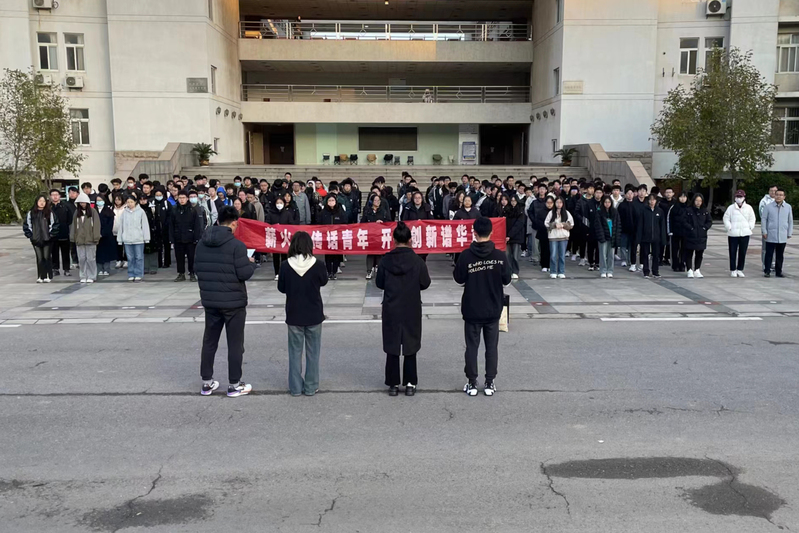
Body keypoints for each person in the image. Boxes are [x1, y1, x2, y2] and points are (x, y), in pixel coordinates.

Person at [195, 206, 256, 397]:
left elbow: (197, 269)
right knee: (235, 344)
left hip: (210, 300)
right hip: (233, 302)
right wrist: (251, 263)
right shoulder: (237, 246)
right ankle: (234, 384)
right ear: (234, 223)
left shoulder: (202, 243)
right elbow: (244, 273)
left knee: (210, 341)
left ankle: (206, 383)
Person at [453, 217, 511, 397]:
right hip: (493, 308)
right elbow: (507, 280)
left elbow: (458, 278)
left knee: (472, 347)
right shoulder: (500, 256)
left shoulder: (466, 256)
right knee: (491, 347)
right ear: (491, 232)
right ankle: (489, 382)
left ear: (474, 233)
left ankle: (472, 383)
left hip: (472, 308)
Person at [376, 222, 431, 396]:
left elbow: (379, 283)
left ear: (393, 240)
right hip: (411, 306)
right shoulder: (417, 261)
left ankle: (393, 384)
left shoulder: (385, 260)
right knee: (410, 344)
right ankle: (410, 383)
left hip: (391, 306)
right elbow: (425, 283)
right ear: (409, 240)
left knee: (392, 344)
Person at [277, 231, 329, 397]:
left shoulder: (285, 265)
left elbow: (281, 288)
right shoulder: (318, 264)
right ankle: (311, 386)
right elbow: (324, 281)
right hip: (314, 313)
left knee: (294, 353)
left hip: (294, 313)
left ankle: (295, 387)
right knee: (313, 353)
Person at [23, 194, 58, 283]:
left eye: (43, 201)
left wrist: (51, 235)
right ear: (36, 202)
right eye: (40, 201)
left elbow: (55, 224)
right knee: (39, 258)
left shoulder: (49, 213)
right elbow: (27, 225)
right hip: (36, 239)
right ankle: (40, 276)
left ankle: (48, 275)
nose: (42, 203)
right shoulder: (31, 213)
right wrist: (31, 236)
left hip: (47, 239)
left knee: (46, 257)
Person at [170, 190, 203, 282]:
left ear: (187, 198)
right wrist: (171, 238)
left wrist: (196, 237)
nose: (182, 200)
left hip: (190, 237)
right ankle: (181, 273)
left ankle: (192, 273)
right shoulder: (174, 210)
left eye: (183, 198)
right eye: (180, 198)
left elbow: (197, 225)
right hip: (178, 237)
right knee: (179, 257)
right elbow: (171, 225)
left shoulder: (192, 210)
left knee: (191, 257)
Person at [116, 193, 150, 282]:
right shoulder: (124, 213)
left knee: (139, 257)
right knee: (130, 258)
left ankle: (139, 274)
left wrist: (146, 238)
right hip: (127, 239)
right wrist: (120, 239)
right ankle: (131, 273)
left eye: (131, 202)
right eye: (128, 202)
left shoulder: (141, 212)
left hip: (138, 239)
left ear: (135, 202)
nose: (130, 204)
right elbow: (121, 226)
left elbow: (145, 225)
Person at [70, 192, 102, 283]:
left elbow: (96, 225)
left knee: (91, 259)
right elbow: (74, 226)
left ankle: (92, 275)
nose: (82, 204)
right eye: (80, 202)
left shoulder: (93, 212)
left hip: (90, 239)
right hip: (80, 240)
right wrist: (73, 237)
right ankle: (83, 275)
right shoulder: (77, 213)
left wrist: (96, 237)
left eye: (83, 202)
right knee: (82, 259)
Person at [761, 188, 794, 278]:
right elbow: (764, 219)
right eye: (777, 195)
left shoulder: (788, 207)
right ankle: (767, 271)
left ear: (784, 197)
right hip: (771, 234)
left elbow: (790, 220)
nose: (778, 196)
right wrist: (764, 231)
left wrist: (789, 232)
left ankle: (778, 271)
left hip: (782, 235)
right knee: (769, 254)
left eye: (781, 195)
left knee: (780, 255)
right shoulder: (768, 207)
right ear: (774, 196)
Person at [723, 190, 756, 277]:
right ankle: (733, 269)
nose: (739, 198)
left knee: (742, 252)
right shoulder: (731, 208)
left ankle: (740, 269)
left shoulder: (748, 208)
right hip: (733, 233)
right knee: (732, 252)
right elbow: (726, 218)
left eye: (740, 197)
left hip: (745, 233)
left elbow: (752, 218)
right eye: (737, 197)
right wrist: (729, 227)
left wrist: (750, 226)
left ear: (744, 198)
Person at [267, 195, 299, 281]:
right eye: (277, 203)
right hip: (275, 238)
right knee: (276, 257)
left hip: (285, 238)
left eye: (281, 203)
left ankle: (285, 273)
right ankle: (277, 273)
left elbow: (291, 224)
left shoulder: (287, 213)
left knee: (285, 256)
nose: (279, 204)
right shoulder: (271, 213)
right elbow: (267, 224)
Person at [636, 194, 666, 279]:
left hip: (656, 237)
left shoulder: (660, 211)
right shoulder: (643, 210)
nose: (652, 201)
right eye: (650, 200)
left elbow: (662, 226)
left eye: (653, 200)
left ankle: (655, 271)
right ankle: (646, 271)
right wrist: (639, 238)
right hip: (645, 236)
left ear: (656, 201)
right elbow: (640, 225)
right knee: (645, 254)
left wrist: (663, 238)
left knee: (656, 255)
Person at [684, 193, 712, 279]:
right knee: (689, 253)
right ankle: (689, 269)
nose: (698, 202)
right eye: (696, 200)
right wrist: (691, 228)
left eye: (700, 201)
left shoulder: (705, 211)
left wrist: (704, 228)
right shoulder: (688, 210)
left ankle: (697, 269)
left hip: (701, 236)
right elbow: (684, 221)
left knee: (699, 254)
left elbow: (709, 221)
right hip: (690, 235)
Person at [544, 196, 573, 279]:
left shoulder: (567, 213)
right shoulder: (551, 213)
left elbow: (571, 224)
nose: (559, 204)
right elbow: (546, 223)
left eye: (560, 202)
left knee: (562, 255)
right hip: (553, 237)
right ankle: (553, 271)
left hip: (563, 237)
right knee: (553, 255)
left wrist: (563, 225)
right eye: (557, 202)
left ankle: (561, 271)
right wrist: (554, 225)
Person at [361, 195, 388, 279]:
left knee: (379, 253)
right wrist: (373, 223)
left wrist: (382, 222)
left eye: (378, 200)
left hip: (380, 235)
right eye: (375, 200)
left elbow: (389, 221)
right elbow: (362, 223)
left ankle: (379, 270)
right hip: (371, 235)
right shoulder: (367, 211)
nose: (377, 202)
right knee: (371, 253)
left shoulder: (383, 211)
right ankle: (369, 271)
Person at [320, 194, 346, 279]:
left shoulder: (340, 211)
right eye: (329, 200)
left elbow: (344, 222)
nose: (331, 202)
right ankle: (328, 272)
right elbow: (319, 223)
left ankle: (334, 271)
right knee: (328, 255)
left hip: (337, 237)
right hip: (327, 237)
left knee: (336, 255)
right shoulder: (323, 212)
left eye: (333, 200)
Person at [49, 189, 72, 277]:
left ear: (59, 196)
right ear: (50, 196)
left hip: (64, 232)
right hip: (52, 234)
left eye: (56, 194)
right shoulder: (48, 207)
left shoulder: (65, 207)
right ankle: (55, 269)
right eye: (53, 195)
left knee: (65, 252)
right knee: (54, 252)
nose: (55, 196)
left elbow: (70, 219)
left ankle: (66, 269)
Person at [596, 195, 620, 278]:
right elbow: (598, 225)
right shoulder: (599, 212)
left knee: (611, 255)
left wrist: (616, 235)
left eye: (609, 202)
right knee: (602, 254)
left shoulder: (615, 212)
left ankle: (610, 270)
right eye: (605, 202)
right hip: (603, 236)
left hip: (612, 236)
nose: (607, 204)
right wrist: (601, 236)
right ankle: (603, 270)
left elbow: (618, 224)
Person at [502, 194, 525, 280]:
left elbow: (519, 224)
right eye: (511, 201)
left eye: (514, 201)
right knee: (507, 255)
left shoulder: (520, 211)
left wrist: (510, 235)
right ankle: (509, 271)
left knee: (515, 256)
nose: (513, 203)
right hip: (507, 236)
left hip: (516, 236)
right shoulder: (506, 210)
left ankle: (515, 271)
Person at [95, 195, 116, 276]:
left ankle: (106, 269)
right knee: (98, 253)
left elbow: (110, 225)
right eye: (97, 200)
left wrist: (103, 233)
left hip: (107, 236)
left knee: (107, 254)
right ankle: (100, 269)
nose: (99, 202)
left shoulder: (109, 211)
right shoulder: (93, 210)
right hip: (96, 236)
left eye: (100, 200)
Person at [668, 192, 689, 272]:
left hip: (685, 232)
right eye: (681, 197)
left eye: (684, 197)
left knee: (684, 249)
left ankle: (682, 263)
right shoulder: (674, 207)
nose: (683, 199)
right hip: (675, 231)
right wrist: (670, 231)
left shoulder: (689, 208)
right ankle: (675, 264)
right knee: (675, 249)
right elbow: (669, 219)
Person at [759, 185, 778, 272]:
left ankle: (773, 263)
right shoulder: (764, 201)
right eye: (771, 190)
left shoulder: (780, 200)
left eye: (775, 191)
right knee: (765, 248)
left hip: (777, 229)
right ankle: (765, 264)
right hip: (767, 228)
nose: (773, 192)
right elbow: (763, 215)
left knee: (775, 247)